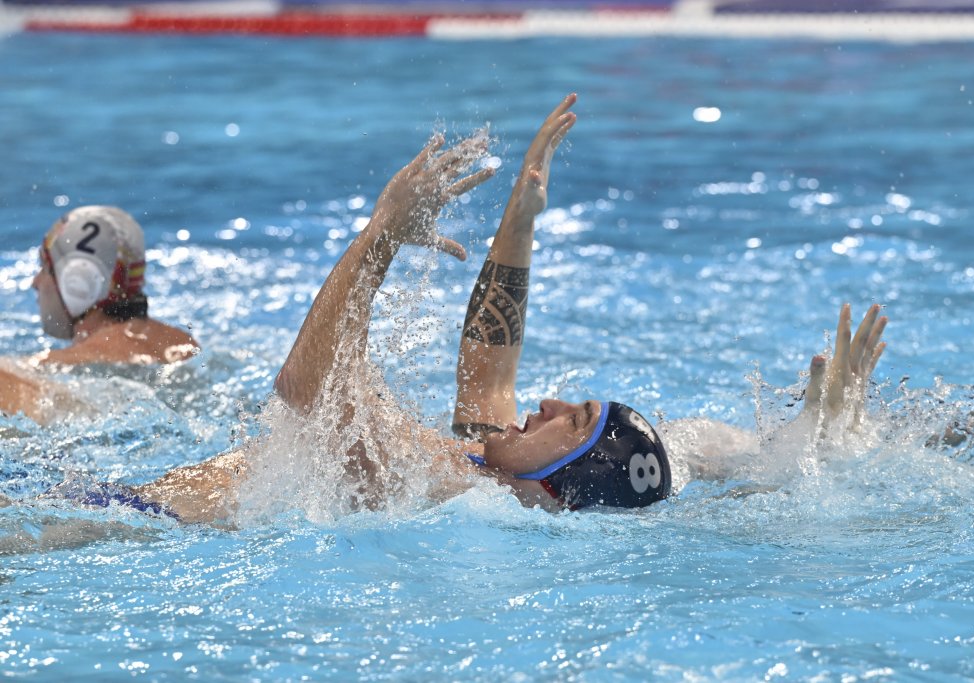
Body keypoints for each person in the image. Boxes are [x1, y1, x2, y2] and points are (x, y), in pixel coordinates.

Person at [6, 95, 888, 527]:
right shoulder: (491, 472)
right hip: (114, 512)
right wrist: (521, 217)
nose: (546, 400)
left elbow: (306, 390)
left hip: (100, 528)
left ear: (559, 479)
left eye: (570, 417)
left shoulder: (439, 485)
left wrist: (382, 235)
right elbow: (487, 367)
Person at [0, 206, 200, 423]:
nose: (36, 282)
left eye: (46, 268)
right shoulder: (185, 345)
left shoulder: (61, 363)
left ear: (77, 282)